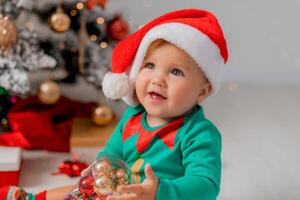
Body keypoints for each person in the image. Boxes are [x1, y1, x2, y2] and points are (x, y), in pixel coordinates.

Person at [0, 8, 228, 200]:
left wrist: (157, 191)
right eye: (149, 66)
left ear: (202, 91)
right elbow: (113, 151)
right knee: (80, 189)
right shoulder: (133, 117)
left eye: (175, 71)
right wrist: (103, 168)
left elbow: (205, 185)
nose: (157, 79)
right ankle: (34, 197)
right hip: (118, 191)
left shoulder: (199, 134)